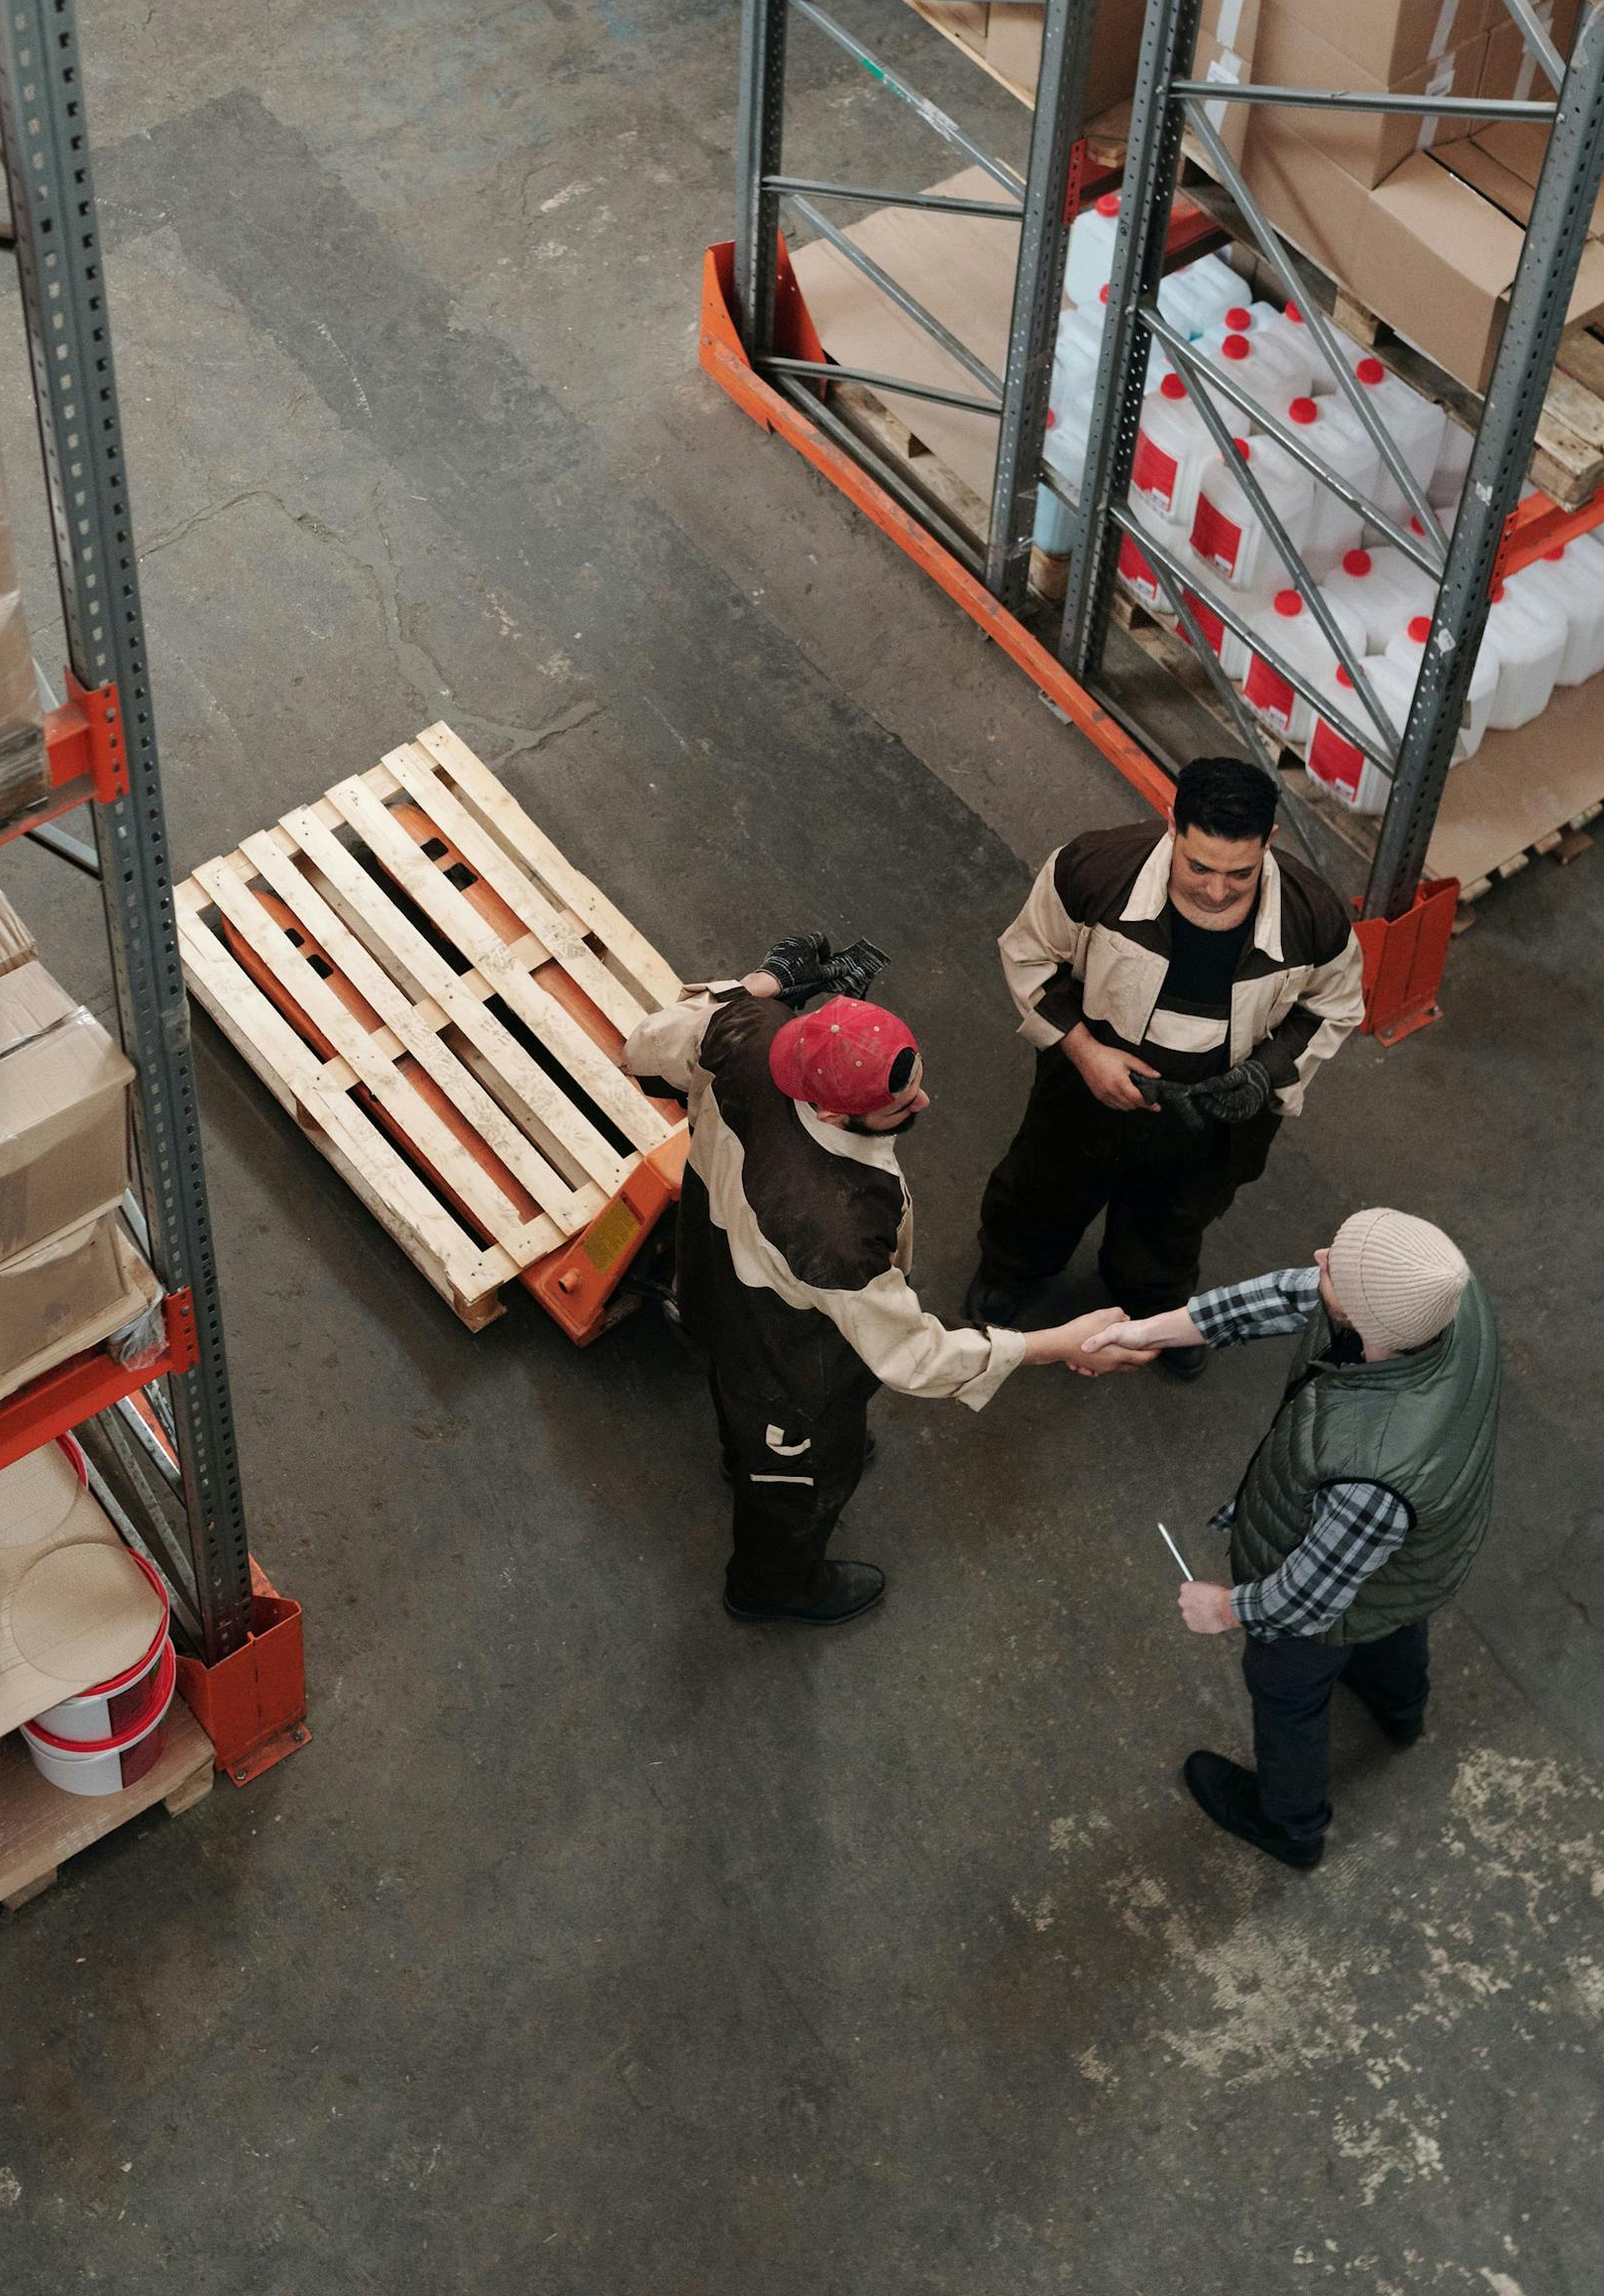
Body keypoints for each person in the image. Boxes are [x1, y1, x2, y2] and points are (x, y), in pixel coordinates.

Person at [625, 961, 1127, 1627]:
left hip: (715, 1277)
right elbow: (913, 1355)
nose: (922, 1105)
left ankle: (742, 1456)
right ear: (832, 1109)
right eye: (900, 1106)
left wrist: (768, 979)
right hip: (790, 1364)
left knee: (730, 1380)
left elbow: (644, 1046)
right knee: (801, 1484)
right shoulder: (832, 1227)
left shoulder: (748, 1029)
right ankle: (771, 1589)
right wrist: (1049, 1344)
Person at [1102, 1207, 1497, 1870]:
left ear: (1365, 1321)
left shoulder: (1373, 1477)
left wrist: (1225, 1610)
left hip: (1346, 1575)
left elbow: (1307, 1600)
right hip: (1419, 1558)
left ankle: (1292, 1825)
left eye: (1335, 1268)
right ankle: (1400, 1710)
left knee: (1286, 1687)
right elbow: (1294, 1294)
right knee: (1391, 1616)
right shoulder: (1443, 1292)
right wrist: (1151, 1330)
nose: (1317, 1257)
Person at [968, 758, 1366, 1380]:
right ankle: (1013, 1270)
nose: (1215, 890)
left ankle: (1156, 1308)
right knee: (1043, 1186)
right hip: (1086, 1091)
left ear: (1271, 843)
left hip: (1217, 1114)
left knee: (1176, 1217)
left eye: (1239, 872)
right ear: (1172, 827)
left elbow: (1333, 1006)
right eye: (1199, 866)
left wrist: (1266, 1071)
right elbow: (1029, 957)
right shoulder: (1092, 872)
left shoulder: (1313, 918)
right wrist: (1084, 1052)